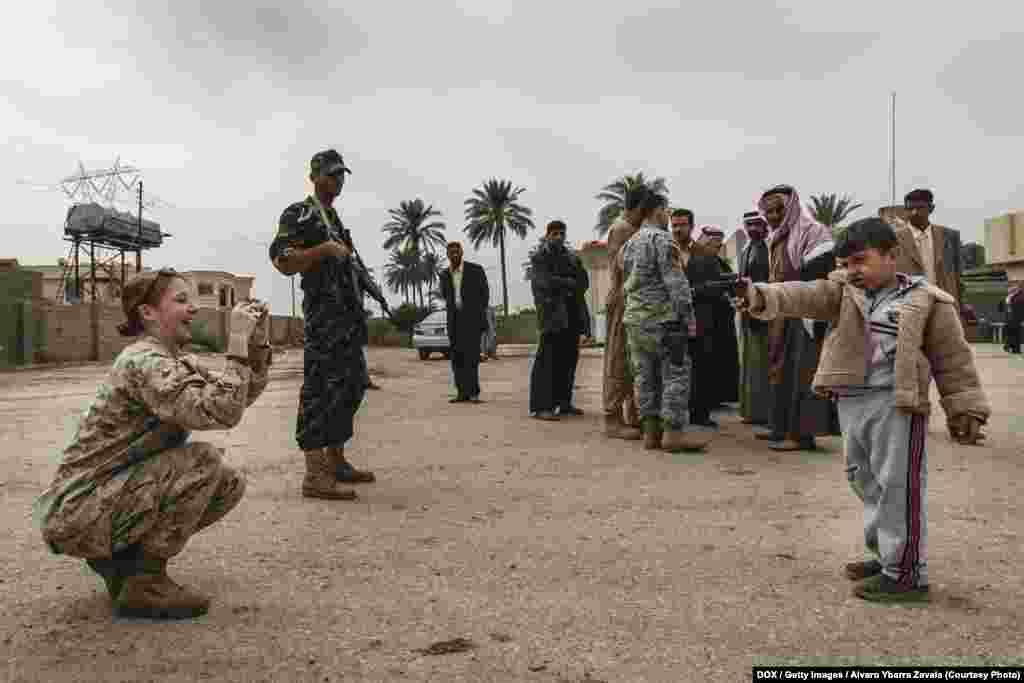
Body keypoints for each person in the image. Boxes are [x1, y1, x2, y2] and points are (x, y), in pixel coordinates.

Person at [734, 217, 989, 602]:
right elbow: (801, 294)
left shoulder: (927, 301)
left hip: (897, 406)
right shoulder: (843, 292)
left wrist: (964, 408)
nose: (852, 271)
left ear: (892, 256)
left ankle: (906, 575)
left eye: (860, 261)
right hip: (852, 401)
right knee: (864, 480)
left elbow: (954, 361)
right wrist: (757, 294)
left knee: (897, 487)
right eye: (846, 263)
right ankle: (886, 554)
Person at [33, 269, 271, 619]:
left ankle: (123, 567)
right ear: (147, 313)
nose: (193, 309)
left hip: (101, 499)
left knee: (227, 482)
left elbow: (235, 398)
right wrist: (235, 344)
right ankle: (145, 580)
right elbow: (219, 411)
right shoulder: (145, 361)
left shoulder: (174, 360)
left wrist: (256, 345)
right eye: (180, 300)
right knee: (203, 461)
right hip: (79, 509)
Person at [271, 149, 388, 500]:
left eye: (342, 175)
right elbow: (283, 261)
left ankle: (336, 459)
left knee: (351, 386)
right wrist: (322, 251)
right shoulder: (299, 213)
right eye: (332, 174)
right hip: (323, 320)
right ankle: (314, 474)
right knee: (318, 391)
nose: (338, 181)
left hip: (348, 319)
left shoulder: (335, 220)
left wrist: (370, 287)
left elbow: (350, 263)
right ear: (315, 176)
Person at [620, 189, 711, 452]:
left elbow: (626, 279)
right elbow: (677, 285)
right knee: (675, 375)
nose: (667, 216)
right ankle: (673, 434)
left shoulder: (631, 243)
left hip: (635, 322)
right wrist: (689, 318)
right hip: (665, 321)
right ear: (656, 210)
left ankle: (650, 433)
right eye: (665, 210)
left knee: (644, 377)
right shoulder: (663, 241)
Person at [757, 185, 837, 451]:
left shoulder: (813, 232)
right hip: (781, 312)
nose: (773, 216)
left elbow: (818, 277)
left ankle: (801, 434)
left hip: (804, 313)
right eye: (768, 211)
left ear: (791, 207)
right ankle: (779, 428)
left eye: (779, 210)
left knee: (801, 372)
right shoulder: (776, 238)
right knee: (780, 371)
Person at [528, 220, 589, 419]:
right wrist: (568, 283)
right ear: (547, 235)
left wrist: (565, 283)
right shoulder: (540, 257)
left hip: (572, 316)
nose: (558, 237)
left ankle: (564, 403)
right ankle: (541, 407)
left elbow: (584, 282)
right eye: (554, 233)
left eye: (561, 233)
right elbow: (544, 283)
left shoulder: (572, 257)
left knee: (568, 362)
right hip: (551, 317)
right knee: (547, 363)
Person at [601, 193, 646, 440]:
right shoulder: (622, 229)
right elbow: (624, 268)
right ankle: (612, 418)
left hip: (630, 300)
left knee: (630, 360)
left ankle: (632, 414)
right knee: (617, 360)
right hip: (622, 300)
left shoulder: (631, 228)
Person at [678, 215, 723, 427]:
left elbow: (712, 286)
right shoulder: (670, 252)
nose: (678, 229)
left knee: (700, 367)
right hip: (687, 320)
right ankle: (688, 414)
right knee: (688, 367)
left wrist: (695, 291)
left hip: (700, 318)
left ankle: (698, 413)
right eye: (674, 225)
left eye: (682, 225)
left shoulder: (704, 256)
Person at [891, 189, 965, 310]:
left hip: (945, 304)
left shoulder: (950, 236)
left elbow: (958, 275)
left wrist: (961, 305)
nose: (914, 213)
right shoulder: (894, 238)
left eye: (920, 208)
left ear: (931, 208)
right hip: (908, 307)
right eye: (909, 209)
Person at [439, 241, 490, 403]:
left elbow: (485, 294)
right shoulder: (444, 274)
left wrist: (476, 313)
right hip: (454, 322)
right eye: (451, 252)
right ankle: (462, 393)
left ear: (461, 252)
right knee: (457, 359)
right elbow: (445, 295)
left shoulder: (475, 270)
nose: (454, 253)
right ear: (447, 255)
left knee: (472, 358)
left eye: (457, 251)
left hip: (472, 321)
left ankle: (474, 393)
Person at [697, 225, 740, 408]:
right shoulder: (699, 260)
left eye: (719, 244)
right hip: (707, 319)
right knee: (709, 361)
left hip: (721, 319)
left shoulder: (717, 260)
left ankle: (719, 397)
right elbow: (706, 284)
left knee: (722, 359)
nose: (717, 248)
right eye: (714, 244)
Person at [737, 211, 772, 426]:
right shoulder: (746, 249)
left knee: (763, 362)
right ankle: (750, 410)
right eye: (748, 225)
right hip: (747, 312)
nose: (752, 229)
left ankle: (763, 412)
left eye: (757, 225)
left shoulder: (769, 249)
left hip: (767, 312)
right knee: (750, 361)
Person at [1001, 282, 1024, 353]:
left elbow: (1020, 307)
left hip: (1015, 317)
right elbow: (1002, 307)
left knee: (1014, 333)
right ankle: (1012, 347)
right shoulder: (1010, 297)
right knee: (1012, 333)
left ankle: (1011, 346)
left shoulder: (1018, 296)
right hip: (1011, 317)